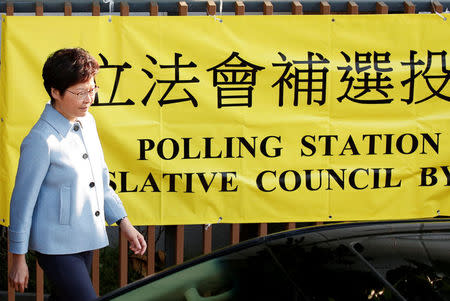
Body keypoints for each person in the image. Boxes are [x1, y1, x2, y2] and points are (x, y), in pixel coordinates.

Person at [8, 48, 147, 300]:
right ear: (55, 92)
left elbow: (101, 181)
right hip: (55, 247)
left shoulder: (88, 122)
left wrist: (123, 223)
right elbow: (22, 202)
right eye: (80, 92)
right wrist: (18, 259)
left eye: (92, 89)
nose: (89, 98)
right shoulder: (41, 139)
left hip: (84, 239)